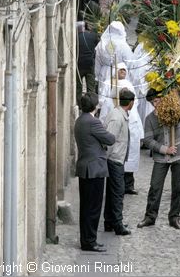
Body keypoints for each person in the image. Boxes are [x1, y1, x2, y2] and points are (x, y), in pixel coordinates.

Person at [137, 88, 180, 230]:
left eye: (158, 100)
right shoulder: (149, 118)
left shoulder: (174, 110)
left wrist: (177, 97)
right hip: (161, 157)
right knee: (155, 186)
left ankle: (174, 217)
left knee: (177, 187)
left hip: (179, 154)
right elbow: (147, 140)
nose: (156, 104)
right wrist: (164, 149)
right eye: (153, 102)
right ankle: (150, 216)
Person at [74, 93, 115, 252]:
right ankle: (90, 241)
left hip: (85, 167)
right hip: (94, 169)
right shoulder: (93, 122)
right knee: (93, 207)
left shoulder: (80, 120)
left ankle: (86, 239)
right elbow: (110, 139)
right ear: (95, 106)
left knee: (85, 207)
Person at [99, 62, 144, 195]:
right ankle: (117, 186)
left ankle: (129, 184)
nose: (123, 72)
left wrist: (140, 134)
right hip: (116, 140)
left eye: (125, 70)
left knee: (131, 157)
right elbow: (104, 116)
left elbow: (136, 114)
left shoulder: (132, 103)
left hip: (131, 130)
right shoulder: (110, 97)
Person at [103, 88, 135, 235]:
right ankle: (117, 223)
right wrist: (106, 159)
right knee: (117, 193)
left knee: (112, 192)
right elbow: (110, 140)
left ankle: (110, 221)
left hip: (116, 159)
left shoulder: (120, 114)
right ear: (131, 103)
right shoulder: (117, 117)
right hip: (114, 160)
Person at [94, 21, 134, 89]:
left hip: (104, 73)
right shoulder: (123, 46)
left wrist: (97, 76)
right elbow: (130, 63)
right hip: (120, 74)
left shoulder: (101, 44)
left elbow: (97, 62)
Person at [76, 21, 99, 108]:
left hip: (79, 65)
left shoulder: (76, 37)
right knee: (90, 86)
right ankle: (92, 105)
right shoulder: (92, 36)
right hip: (90, 64)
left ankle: (79, 105)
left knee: (78, 86)